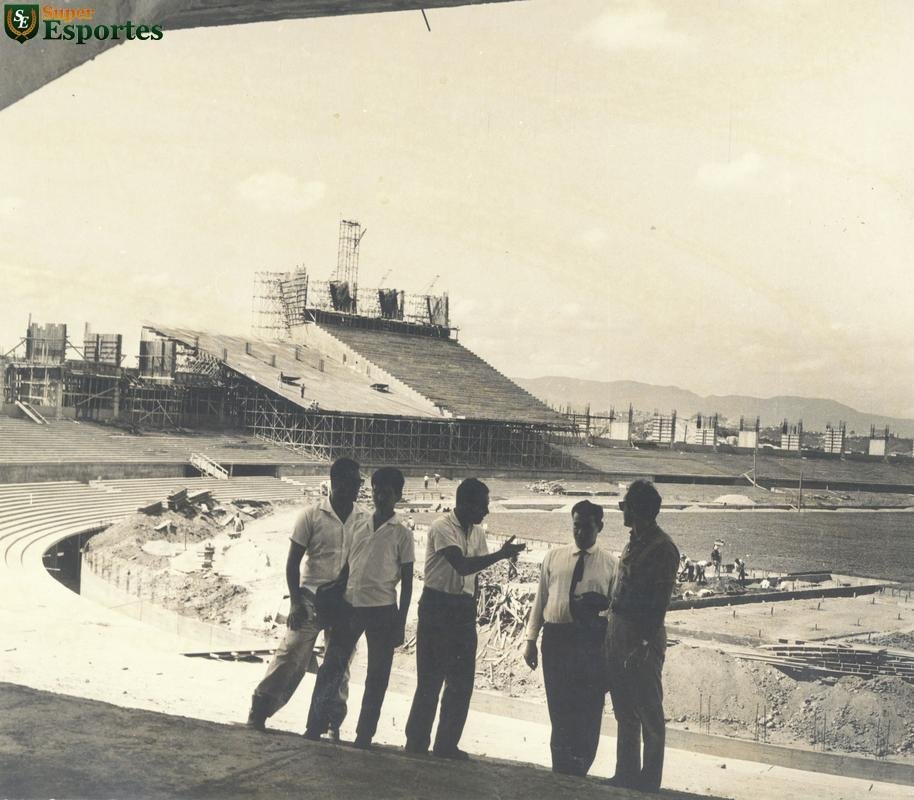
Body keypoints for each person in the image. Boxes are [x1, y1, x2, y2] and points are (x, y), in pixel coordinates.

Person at [404, 478, 525, 759]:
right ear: (465, 504)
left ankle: (446, 745)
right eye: (483, 505)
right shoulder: (442, 527)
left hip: (461, 609)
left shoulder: (477, 532)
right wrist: (502, 554)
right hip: (437, 605)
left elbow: (474, 576)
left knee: (461, 682)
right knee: (430, 680)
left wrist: (472, 604)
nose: (486, 511)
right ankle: (416, 742)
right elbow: (461, 566)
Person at [246, 457, 365, 735]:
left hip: (345, 603)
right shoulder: (310, 516)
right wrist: (296, 602)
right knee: (290, 656)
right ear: (335, 483)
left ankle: (329, 722)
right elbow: (292, 563)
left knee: (340, 665)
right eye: (351, 483)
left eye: (358, 483)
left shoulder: (364, 520)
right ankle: (259, 711)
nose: (356, 489)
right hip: (311, 598)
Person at [305, 467, 414, 748]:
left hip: (383, 611)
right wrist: (334, 598)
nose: (380, 496)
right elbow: (346, 568)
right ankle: (314, 726)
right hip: (350, 607)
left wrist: (400, 624)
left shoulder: (402, 534)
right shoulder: (358, 525)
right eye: (376, 490)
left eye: (387, 492)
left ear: (398, 495)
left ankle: (364, 735)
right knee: (332, 668)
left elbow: (408, 583)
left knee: (377, 676)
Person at [524, 500, 616, 776]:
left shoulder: (611, 564)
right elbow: (540, 599)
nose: (580, 532)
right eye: (576, 526)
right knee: (559, 708)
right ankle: (560, 773)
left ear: (599, 527)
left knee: (588, 710)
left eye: (586, 527)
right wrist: (530, 639)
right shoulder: (554, 557)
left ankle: (580, 770)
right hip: (555, 640)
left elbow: (615, 610)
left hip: (590, 644)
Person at [604, 479, 680, 793]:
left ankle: (648, 783)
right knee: (624, 708)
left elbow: (658, 602)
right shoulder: (634, 541)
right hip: (620, 631)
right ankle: (626, 775)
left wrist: (645, 643)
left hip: (641, 635)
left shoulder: (663, 548)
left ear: (637, 510)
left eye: (625, 506)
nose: (622, 511)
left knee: (648, 710)